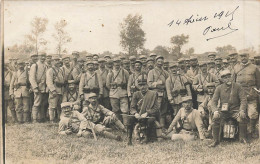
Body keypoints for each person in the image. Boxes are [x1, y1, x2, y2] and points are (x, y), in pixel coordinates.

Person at [209, 69, 248, 147]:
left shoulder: (238, 86)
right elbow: (213, 102)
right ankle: (215, 140)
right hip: (224, 111)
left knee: (242, 116)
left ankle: (242, 138)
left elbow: (243, 99)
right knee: (215, 118)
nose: (227, 79)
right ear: (222, 79)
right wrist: (215, 111)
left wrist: (242, 110)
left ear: (232, 77)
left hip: (235, 110)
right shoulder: (219, 88)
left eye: (229, 77)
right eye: (225, 78)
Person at [126, 73, 163, 145]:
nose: (142, 87)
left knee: (151, 120)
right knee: (129, 119)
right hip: (138, 115)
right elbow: (132, 107)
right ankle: (129, 139)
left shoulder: (153, 94)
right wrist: (135, 113)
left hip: (148, 115)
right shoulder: (136, 94)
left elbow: (156, 108)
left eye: (144, 85)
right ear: (138, 86)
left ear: (147, 85)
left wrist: (147, 113)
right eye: (140, 85)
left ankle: (147, 137)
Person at [233, 53, 260, 138]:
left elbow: (258, 82)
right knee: (240, 113)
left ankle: (252, 129)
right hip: (239, 95)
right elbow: (233, 82)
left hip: (251, 94)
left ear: (248, 56)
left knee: (253, 113)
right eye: (241, 56)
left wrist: (254, 92)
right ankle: (241, 132)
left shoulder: (254, 68)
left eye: (245, 56)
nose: (243, 58)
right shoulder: (236, 67)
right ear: (239, 57)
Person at [147, 55, 169, 131]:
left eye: (161, 62)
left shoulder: (166, 72)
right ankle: (155, 127)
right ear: (155, 62)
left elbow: (168, 83)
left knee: (163, 111)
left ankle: (162, 127)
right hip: (155, 94)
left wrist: (164, 86)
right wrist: (158, 84)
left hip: (164, 93)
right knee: (155, 111)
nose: (160, 63)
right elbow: (149, 84)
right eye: (158, 62)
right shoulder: (151, 72)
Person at [29, 53, 48, 123]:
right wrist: (35, 88)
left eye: (44, 56)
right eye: (41, 56)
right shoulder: (35, 65)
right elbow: (31, 78)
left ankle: (41, 118)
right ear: (39, 57)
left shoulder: (45, 65)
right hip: (38, 87)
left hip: (44, 87)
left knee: (43, 103)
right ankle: (34, 119)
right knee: (36, 103)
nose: (43, 58)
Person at [46, 56, 65, 123]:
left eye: (58, 60)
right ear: (52, 61)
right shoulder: (50, 70)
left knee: (60, 106)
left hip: (61, 90)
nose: (57, 62)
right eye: (55, 60)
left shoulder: (61, 69)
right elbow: (49, 81)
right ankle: (52, 120)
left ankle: (60, 119)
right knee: (52, 106)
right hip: (54, 90)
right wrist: (53, 90)